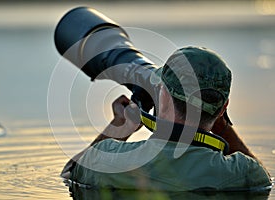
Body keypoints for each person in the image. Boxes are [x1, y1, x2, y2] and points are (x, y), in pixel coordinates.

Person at [61, 46, 272, 192]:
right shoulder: (243, 173)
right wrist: (220, 123)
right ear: (223, 108)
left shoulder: (106, 159)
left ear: (161, 94)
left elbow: (71, 173)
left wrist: (120, 124)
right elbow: (264, 180)